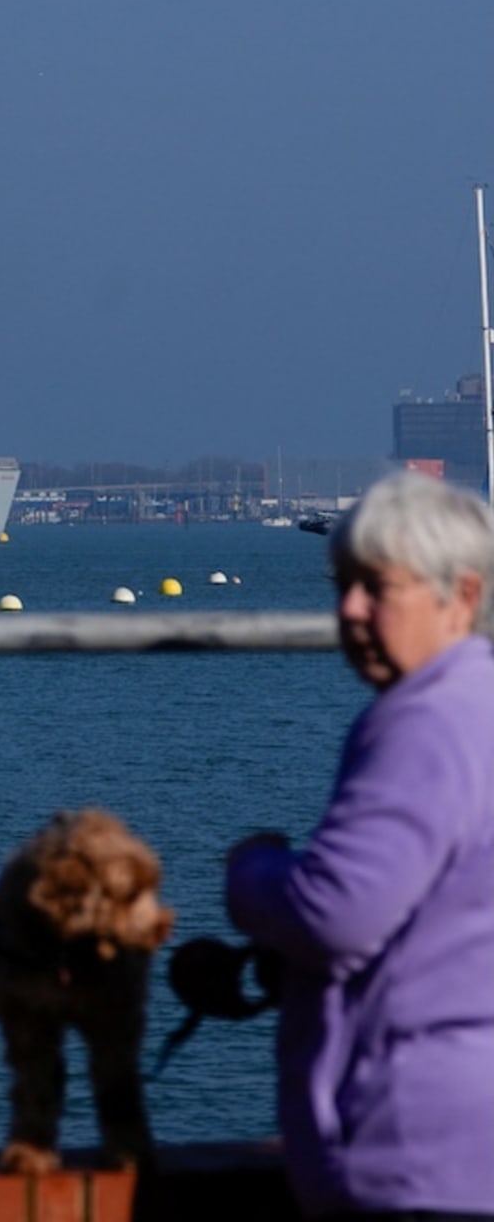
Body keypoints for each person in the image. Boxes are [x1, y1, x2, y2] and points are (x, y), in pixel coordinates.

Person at [226, 470, 494, 1220]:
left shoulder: (430, 723)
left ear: (462, 597)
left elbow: (335, 913)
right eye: (343, 586)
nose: (348, 610)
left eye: (376, 589)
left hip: (423, 1155)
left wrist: (252, 871)